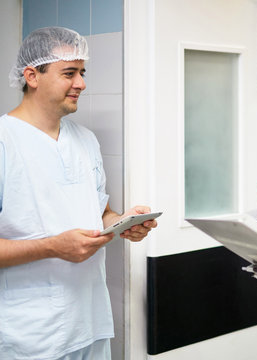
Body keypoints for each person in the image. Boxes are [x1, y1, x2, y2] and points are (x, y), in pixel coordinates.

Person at [0, 27, 157, 359]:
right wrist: (52, 247)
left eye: (82, 73)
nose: (81, 83)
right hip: (28, 335)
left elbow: (100, 212)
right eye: (69, 73)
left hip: (89, 324)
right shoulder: (4, 142)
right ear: (32, 76)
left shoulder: (85, 140)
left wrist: (123, 221)